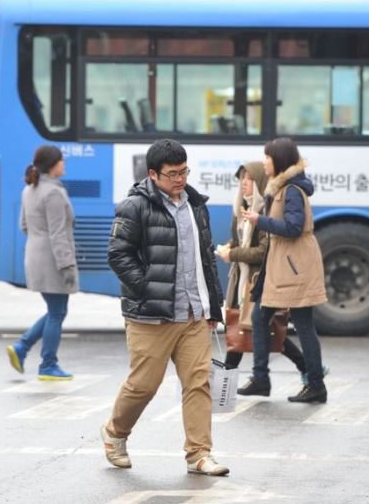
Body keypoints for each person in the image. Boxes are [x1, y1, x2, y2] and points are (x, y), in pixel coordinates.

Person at [100, 138, 229, 476]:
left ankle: (199, 454)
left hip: (193, 313)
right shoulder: (135, 206)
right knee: (144, 385)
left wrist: (213, 307)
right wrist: (146, 288)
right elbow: (118, 254)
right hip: (150, 315)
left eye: (184, 171)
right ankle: (115, 433)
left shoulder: (195, 204)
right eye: (173, 174)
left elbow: (205, 259)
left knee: (198, 383)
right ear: (153, 174)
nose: (180, 179)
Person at [217, 162, 327, 384]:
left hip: (261, 278)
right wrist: (230, 247)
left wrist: (234, 254)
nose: (244, 184)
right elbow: (239, 239)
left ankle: (229, 382)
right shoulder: (242, 209)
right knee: (250, 325)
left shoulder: (263, 212)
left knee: (257, 326)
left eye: (249, 179)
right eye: (242, 179)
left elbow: (263, 251)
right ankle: (244, 380)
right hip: (243, 278)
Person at [238, 137, 328, 403]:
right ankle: (261, 378)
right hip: (282, 263)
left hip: (294, 265)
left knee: (302, 325)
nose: (264, 161)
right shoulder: (281, 188)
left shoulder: (292, 190)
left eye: (267, 157)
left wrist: (259, 220)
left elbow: (293, 227)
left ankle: (315, 384)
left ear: (279, 160)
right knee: (259, 316)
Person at [6, 145, 77, 381]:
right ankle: (47, 363)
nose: (64, 164)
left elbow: (24, 226)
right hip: (52, 259)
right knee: (58, 312)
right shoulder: (53, 193)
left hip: (35, 254)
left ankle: (22, 347)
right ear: (53, 165)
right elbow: (58, 234)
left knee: (54, 310)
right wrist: (66, 264)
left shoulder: (30, 189)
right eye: (61, 161)